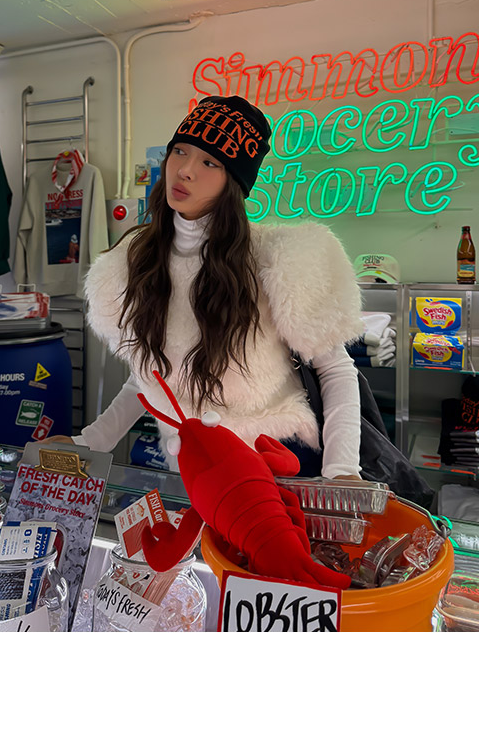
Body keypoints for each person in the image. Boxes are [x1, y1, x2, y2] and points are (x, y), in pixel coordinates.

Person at [46, 95, 363, 480]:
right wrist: (92, 441)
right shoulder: (136, 259)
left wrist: (342, 471)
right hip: (195, 469)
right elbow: (150, 375)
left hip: (277, 463)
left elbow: (336, 369)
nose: (185, 170)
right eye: (180, 151)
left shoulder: (279, 258)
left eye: (209, 162)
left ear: (234, 181)